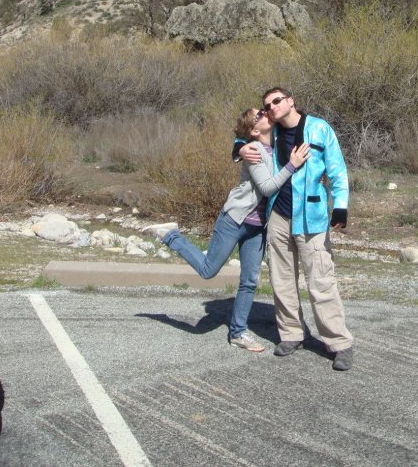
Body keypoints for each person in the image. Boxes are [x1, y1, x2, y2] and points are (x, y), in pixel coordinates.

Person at [146, 107, 309, 353]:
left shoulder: (274, 144)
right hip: (234, 220)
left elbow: (293, 119)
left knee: (249, 281)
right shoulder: (254, 150)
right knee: (208, 270)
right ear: (254, 130)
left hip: (257, 228)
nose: (266, 113)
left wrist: (239, 146)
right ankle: (170, 236)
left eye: (265, 110)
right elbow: (266, 188)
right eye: (260, 114)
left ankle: (238, 333)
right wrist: (292, 165)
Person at [238, 87, 354, 371]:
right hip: (278, 215)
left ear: (290, 101)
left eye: (276, 101)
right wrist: (239, 147)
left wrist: (340, 205)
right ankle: (291, 334)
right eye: (267, 105)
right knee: (282, 279)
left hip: (312, 218)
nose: (272, 107)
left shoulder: (319, 129)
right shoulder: (272, 130)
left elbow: (337, 171)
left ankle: (339, 343)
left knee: (321, 281)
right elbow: (244, 135)